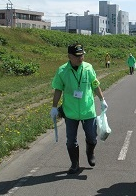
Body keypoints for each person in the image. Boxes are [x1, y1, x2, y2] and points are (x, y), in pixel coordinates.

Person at [51, 43, 107, 174]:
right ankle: (74, 164)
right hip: (70, 111)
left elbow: (95, 84)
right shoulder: (62, 71)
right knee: (71, 141)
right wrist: (54, 107)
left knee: (92, 137)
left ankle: (90, 152)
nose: (81, 58)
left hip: (88, 110)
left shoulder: (88, 68)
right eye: (77, 56)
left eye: (82, 55)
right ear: (69, 56)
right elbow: (58, 89)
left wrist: (102, 99)